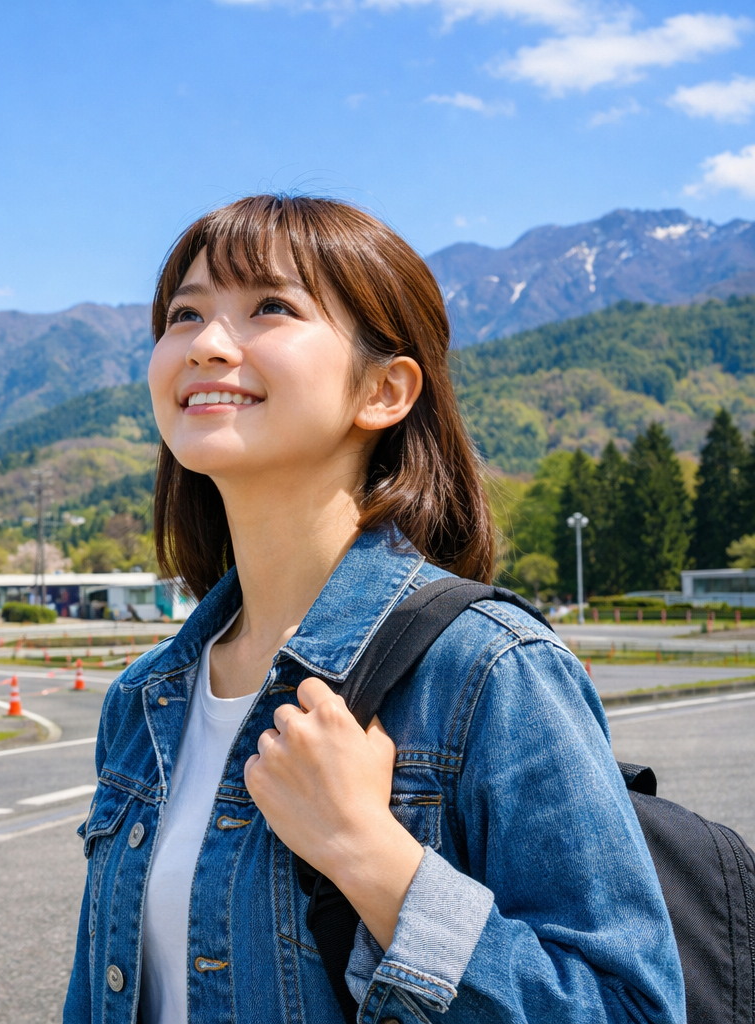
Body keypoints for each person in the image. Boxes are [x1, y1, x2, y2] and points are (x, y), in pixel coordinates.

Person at [62, 195, 683, 1023]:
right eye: (184, 314)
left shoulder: (490, 672)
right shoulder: (144, 700)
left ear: (385, 389)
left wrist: (370, 852)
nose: (207, 345)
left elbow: (629, 1006)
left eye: (270, 308)